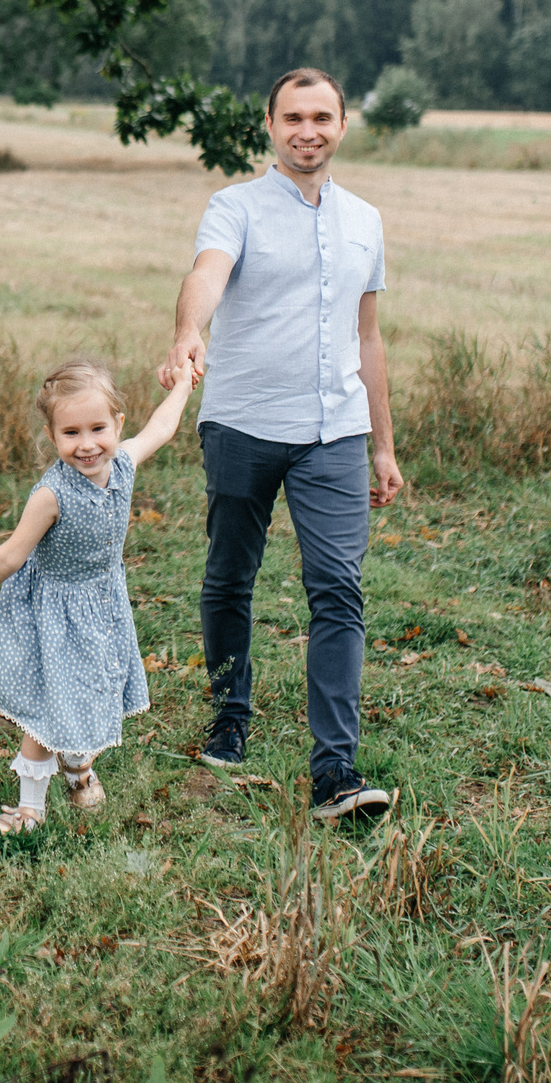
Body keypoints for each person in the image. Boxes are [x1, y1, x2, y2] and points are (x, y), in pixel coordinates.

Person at [161, 65, 402, 822]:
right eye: (293, 117)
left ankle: (334, 768)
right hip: (243, 420)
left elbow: (368, 335)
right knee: (231, 573)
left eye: (322, 116)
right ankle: (231, 711)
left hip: (336, 430)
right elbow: (207, 273)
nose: (308, 130)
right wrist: (187, 329)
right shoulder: (234, 207)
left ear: (341, 124)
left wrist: (384, 446)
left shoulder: (366, 220)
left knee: (339, 589)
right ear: (270, 125)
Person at [0, 358, 194, 835]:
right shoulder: (51, 495)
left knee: (91, 690)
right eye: (71, 432)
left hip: (101, 603)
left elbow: (163, 427)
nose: (87, 444)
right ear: (52, 437)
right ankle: (31, 806)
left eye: (98, 428)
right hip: (53, 611)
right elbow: (10, 556)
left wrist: (180, 387)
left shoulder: (124, 463)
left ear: (118, 424)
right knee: (46, 708)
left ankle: (77, 766)